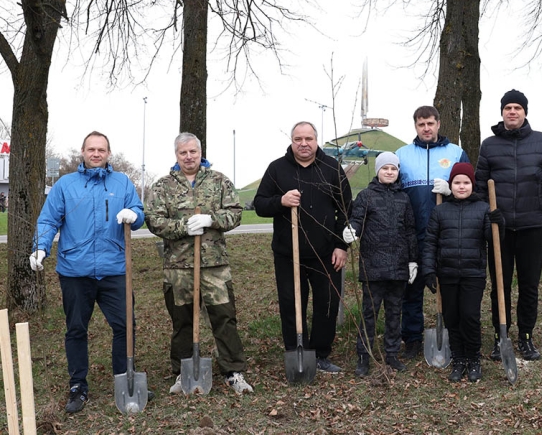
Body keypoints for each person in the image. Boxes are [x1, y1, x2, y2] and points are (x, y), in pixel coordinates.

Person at [29, 131, 145, 413]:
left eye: (101, 149)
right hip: (75, 270)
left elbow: (139, 211)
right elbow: (48, 219)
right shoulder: (66, 185)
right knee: (77, 329)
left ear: (108, 153)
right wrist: (41, 247)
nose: (96, 154)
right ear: (82, 152)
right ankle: (78, 386)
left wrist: (135, 215)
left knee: (124, 326)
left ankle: (123, 379)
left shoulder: (122, 182)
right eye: (91, 149)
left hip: (114, 270)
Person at [145, 132, 253, 394]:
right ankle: (183, 372)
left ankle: (233, 371)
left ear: (200, 152)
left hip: (214, 265)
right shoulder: (163, 186)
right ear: (176, 155)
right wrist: (183, 226)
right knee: (182, 320)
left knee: (224, 317)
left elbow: (235, 213)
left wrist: (211, 220)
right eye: (183, 153)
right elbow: (153, 220)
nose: (189, 157)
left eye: (193, 151)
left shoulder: (218, 181)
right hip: (178, 267)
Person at [475, 89, 542, 361]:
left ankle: (526, 337)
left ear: (525, 112)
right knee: (500, 286)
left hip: (532, 227)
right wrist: (486, 217)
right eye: (508, 108)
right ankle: (500, 336)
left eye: (518, 107)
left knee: (529, 285)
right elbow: (481, 185)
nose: (513, 112)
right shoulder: (489, 145)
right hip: (500, 229)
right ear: (502, 113)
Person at [254, 121, 352, 373]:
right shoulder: (277, 169)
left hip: (326, 253)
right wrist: (281, 201)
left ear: (316, 140)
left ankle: (320, 354)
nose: (303, 143)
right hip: (288, 254)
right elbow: (260, 204)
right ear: (292, 140)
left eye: (308, 138)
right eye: (298, 139)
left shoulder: (332, 168)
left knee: (327, 303)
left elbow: (346, 210)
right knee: (291, 302)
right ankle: (296, 351)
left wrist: (342, 246)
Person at [395, 106, 469, 360]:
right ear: (415, 126)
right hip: (412, 233)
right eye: (420, 124)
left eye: (430, 123)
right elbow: (391, 191)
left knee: (448, 287)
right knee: (411, 288)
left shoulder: (456, 153)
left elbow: (470, 190)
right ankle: (412, 339)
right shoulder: (402, 155)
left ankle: (454, 335)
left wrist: (450, 191)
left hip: (448, 233)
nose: (426, 128)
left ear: (438, 123)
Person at [422, 162, 504, 382]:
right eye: (457, 182)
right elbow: (430, 242)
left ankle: (473, 359)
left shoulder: (483, 209)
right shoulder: (440, 211)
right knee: (452, 317)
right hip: (447, 273)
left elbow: (493, 239)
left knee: (470, 316)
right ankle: (458, 359)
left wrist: (498, 223)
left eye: (466, 182)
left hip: (473, 273)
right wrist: (429, 269)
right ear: (451, 185)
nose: (461, 186)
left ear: (472, 185)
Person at [343, 152, 418, 377]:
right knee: (370, 314)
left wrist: (412, 260)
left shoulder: (404, 198)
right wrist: (352, 231)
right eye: (385, 168)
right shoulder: (366, 196)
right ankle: (364, 357)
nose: (389, 172)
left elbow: (410, 231)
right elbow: (357, 219)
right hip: (372, 267)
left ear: (398, 172)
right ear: (378, 171)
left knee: (395, 313)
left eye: (393, 169)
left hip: (398, 267)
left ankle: (392, 354)